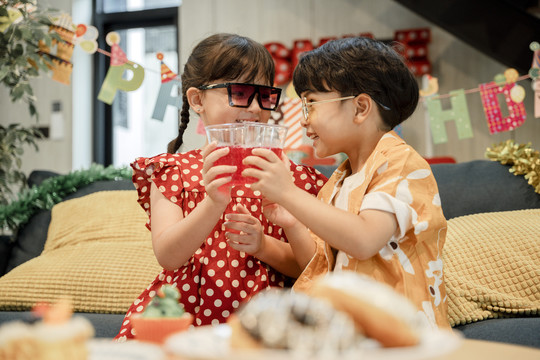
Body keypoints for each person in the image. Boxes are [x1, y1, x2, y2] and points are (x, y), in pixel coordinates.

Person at [114, 33, 327, 341]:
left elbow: (312, 269)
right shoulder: (174, 171)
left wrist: (264, 245)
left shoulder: (292, 179)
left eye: (265, 96)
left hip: (268, 323)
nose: (255, 108)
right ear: (197, 100)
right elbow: (168, 256)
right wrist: (212, 203)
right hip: (186, 317)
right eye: (240, 93)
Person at [243, 36, 450, 329]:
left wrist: (289, 193)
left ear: (360, 108)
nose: (303, 120)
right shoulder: (339, 180)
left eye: (311, 104)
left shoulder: (400, 162)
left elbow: (364, 240)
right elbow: (316, 263)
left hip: (403, 336)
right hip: (350, 334)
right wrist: (291, 222)